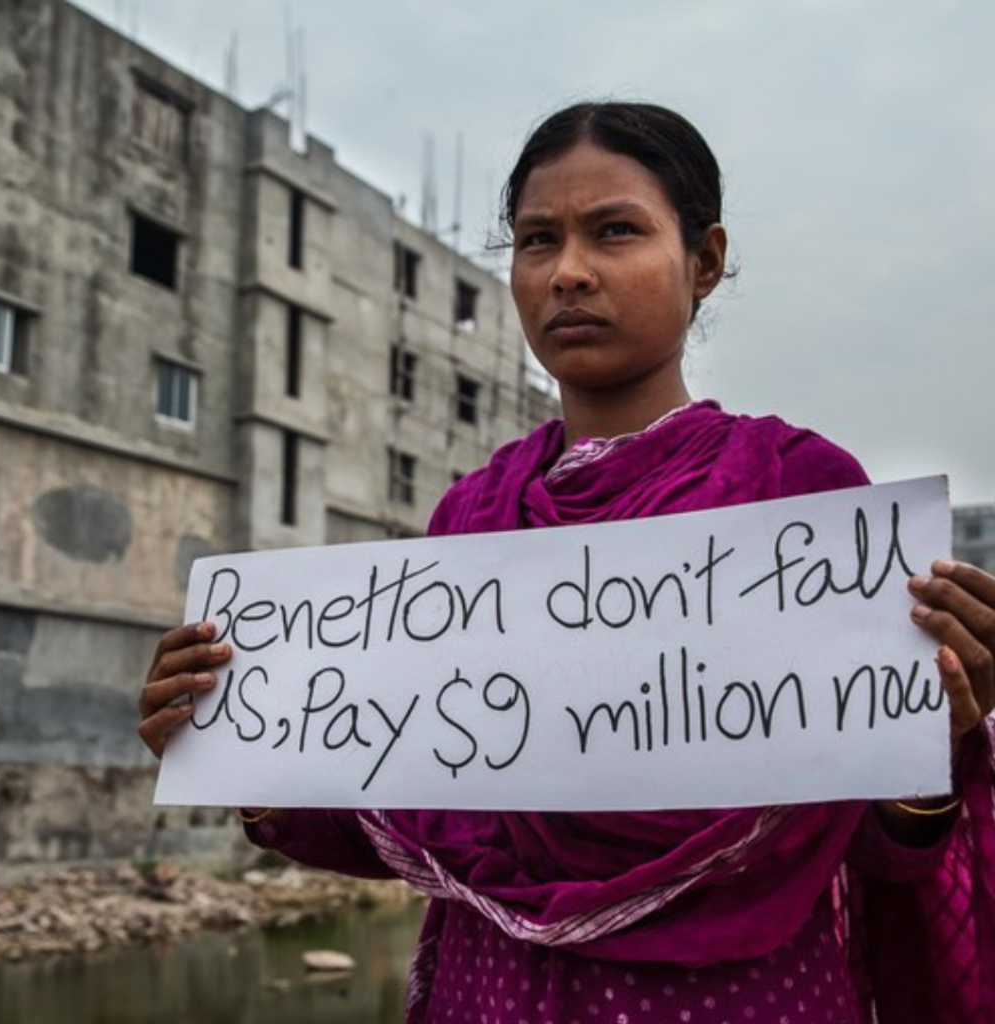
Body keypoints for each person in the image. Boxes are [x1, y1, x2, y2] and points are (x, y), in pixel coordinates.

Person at [139, 102, 995, 1024]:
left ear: (703, 260)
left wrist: (933, 736)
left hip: (742, 997)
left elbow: (877, 845)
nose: (569, 272)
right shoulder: (470, 523)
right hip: (491, 992)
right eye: (538, 240)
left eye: (616, 231)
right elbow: (419, 811)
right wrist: (240, 747)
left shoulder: (800, 500)